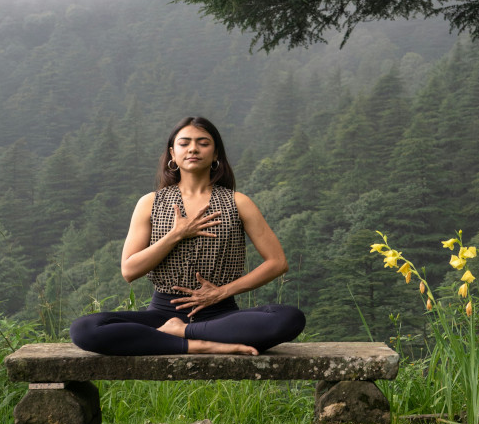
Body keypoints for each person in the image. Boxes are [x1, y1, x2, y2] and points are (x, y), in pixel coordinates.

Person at [70, 116, 305, 356]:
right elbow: (130, 271)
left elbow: (278, 263)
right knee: (85, 329)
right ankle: (199, 343)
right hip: (163, 314)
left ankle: (183, 334)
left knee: (289, 318)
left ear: (216, 155)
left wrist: (221, 293)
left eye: (203, 143)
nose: (193, 148)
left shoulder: (238, 202)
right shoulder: (150, 203)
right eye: (185, 143)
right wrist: (176, 234)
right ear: (173, 153)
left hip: (221, 315)